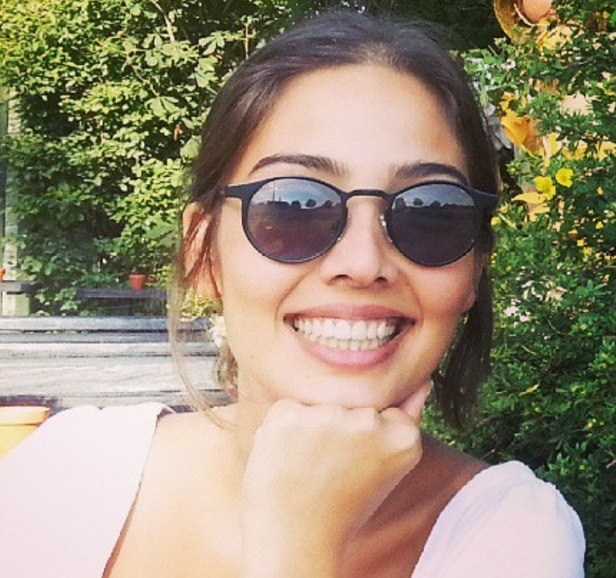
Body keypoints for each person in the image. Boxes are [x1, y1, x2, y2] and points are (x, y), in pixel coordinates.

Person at [0, 11, 585, 578]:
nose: (363, 264)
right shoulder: (66, 477)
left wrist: (298, 540)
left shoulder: (511, 534)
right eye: (293, 206)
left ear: (474, 270)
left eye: (431, 211)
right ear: (205, 253)